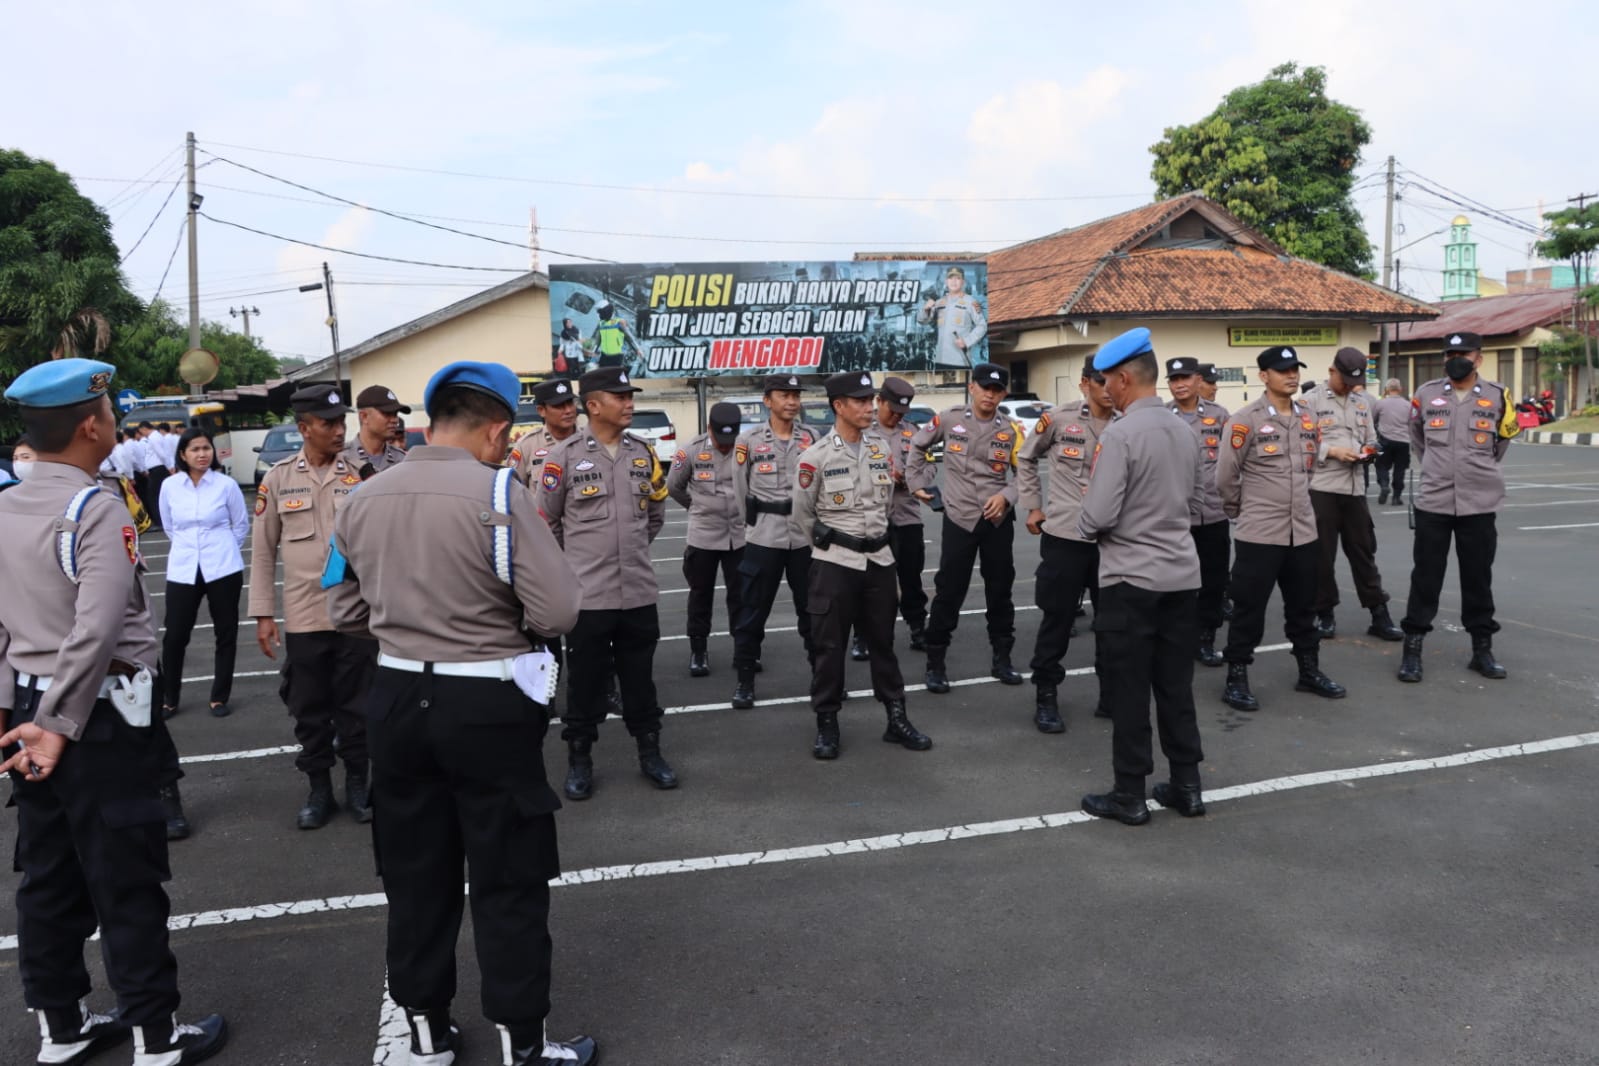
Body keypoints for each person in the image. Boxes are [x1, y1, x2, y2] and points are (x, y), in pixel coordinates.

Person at [329, 361, 596, 1066]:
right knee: (507, 877)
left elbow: (343, 607)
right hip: (485, 700)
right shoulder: (501, 490)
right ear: (498, 428)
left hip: (392, 699)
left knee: (416, 874)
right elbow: (558, 609)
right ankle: (521, 1044)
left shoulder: (361, 496)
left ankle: (425, 1034)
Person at [0, 359, 226, 1066]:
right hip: (92, 715)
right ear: (93, 423)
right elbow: (94, 631)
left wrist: (20, 715)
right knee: (124, 876)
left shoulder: (5, 507)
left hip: (30, 710)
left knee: (47, 876)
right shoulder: (93, 509)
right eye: (110, 412)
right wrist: (60, 727)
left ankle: (60, 1027)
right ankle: (155, 1038)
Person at [1074, 329, 1208, 826]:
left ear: (1125, 379)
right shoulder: (1186, 430)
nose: (1106, 388)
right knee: (1176, 685)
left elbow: (1097, 516)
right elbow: (1197, 504)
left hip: (1131, 580)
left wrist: (1092, 523)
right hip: (1181, 576)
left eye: (1108, 379)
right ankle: (1187, 785)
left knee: (1130, 690)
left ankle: (1129, 793)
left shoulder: (1121, 434)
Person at [541, 366, 677, 800]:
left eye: (630, 396)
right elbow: (549, 522)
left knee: (640, 679)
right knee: (584, 682)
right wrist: (578, 564)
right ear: (594, 405)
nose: (629, 403)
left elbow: (655, 514)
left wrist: (630, 548)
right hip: (589, 597)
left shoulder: (643, 453)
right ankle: (580, 759)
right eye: (620, 397)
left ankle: (650, 753)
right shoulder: (561, 458)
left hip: (637, 591)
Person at [251, 384, 377, 829]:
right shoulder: (278, 479)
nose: (339, 431)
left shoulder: (361, 474)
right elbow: (263, 551)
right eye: (329, 424)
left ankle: (359, 785)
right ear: (304, 428)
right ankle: (318, 787)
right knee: (309, 706)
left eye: (342, 422)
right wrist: (264, 614)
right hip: (305, 614)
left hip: (357, 615)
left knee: (357, 703)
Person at [794, 371, 932, 759]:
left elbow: (885, 506)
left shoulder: (880, 450)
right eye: (860, 401)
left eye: (871, 400)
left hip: (879, 560)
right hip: (835, 562)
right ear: (838, 406)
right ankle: (827, 724)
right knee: (830, 648)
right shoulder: (815, 457)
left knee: (883, 645)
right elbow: (803, 516)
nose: (870, 407)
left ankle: (896, 717)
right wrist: (836, 547)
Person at [1216, 347, 1346, 712]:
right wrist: (1240, 510)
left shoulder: (1307, 418)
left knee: (1304, 607)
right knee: (1248, 609)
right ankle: (1236, 677)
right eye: (1282, 370)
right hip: (1259, 534)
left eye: (1294, 369)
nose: (1291, 375)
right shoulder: (1245, 420)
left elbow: (1310, 467)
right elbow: (1226, 476)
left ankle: (1309, 671)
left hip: (1302, 531)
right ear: (1264, 376)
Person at [1398, 331, 1519, 683]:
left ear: (1478, 357)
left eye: (1462, 353)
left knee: (1478, 578)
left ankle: (1482, 650)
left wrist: (1474, 470)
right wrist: (1440, 468)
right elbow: (1419, 440)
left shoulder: (1499, 396)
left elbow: (1502, 440)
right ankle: (1413, 650)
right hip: (1434, 500)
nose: (1455, 358)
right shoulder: (1426, 393)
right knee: (1426, 577)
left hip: (1479, 502)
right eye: (1449, 353)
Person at [906, 362, 1026, 693]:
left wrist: (1007, 496)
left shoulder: (1012, 430)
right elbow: (917, 446)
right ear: (972, 387)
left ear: (1004, 393)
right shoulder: (949, 419)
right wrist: (918, 483)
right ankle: (935, 662)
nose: (990, 394)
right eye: (985, 387)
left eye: (997, 390)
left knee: (1000, 591)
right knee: (949, 591)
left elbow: (1024, 473)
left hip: (997, 520)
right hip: (959, 518)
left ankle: (1002, 658)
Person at [1018, 355, 1114, 733]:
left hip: (1113, 540)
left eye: (1113, 382)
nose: (1108, 391)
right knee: (1057, 619)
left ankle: (1112, 694)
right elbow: (1026, 458)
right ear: (1084, 383)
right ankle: (1046, 694)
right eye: (1100, 382)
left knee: (1113, 623)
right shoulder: (1058, 418)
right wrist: (1033, 506)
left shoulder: (1129, 421)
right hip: (1065, 536)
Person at [730, 374, 818, 709]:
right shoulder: (748, 441)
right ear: (768, 400)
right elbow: (741, 492)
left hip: (802, 538)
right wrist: (754, 525)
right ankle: (745, 681)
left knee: (813, 612)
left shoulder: (812, 437)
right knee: (752, 611)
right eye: (785, 395)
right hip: (764, 536)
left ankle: (822, 678)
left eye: (796, 395)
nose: (792, 401)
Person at [1305, 348, 1404, 642]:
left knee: (1364, 552)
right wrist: (1333, 451)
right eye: (1345, 380)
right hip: (1322, 488)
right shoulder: (1310, 401)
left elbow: (1371, 439)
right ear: (1332, 370)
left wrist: (1369, 453)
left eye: (1355, 382)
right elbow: (1303, 443)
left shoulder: (1363, 402)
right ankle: (1324, 613)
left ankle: (1379, 614)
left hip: (1355, 488)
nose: (1349, 387)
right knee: (1322, 555)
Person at [158, 429, 250, 719]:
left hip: (223, 566)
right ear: (183, 454)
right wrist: (192, 548)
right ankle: (169, 698)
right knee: (174, 635)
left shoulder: (226, 485)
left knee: (225, 632)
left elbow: (241, 525)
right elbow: (169, 525)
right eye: (195, 449)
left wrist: (222, 549)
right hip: (184, 567)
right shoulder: (170, 486)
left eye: (206, 448)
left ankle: (219, 696)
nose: (202, 454)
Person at [666, 402, 744, 678]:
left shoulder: (746, 449)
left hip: (739, 536)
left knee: (741, 597)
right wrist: (697, 507)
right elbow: (674, 486)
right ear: (709, 428)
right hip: (704, 536)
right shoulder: (691, 450)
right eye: (720, 440)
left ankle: (744, 651)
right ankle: (698, 651)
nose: (725, 446)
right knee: (700, 596)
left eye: (730, 440)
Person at [1166, 355, 1232, 667]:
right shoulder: (1163, 417)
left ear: (1197, 381)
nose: (1180, 385)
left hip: (1214, 514)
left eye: (1185, 378)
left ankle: (1205, 638)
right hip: (1175, 517)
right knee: (1176, 581)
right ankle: (1177, 637)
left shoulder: (1220, 416)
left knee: (1213, 580)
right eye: (1174, 380)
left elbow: (1233, 461)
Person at [868, 377, 928, 654]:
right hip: (871, 519)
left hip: (906, 517)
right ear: (879, 401)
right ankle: (863, 636)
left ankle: (917, 628)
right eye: (892, 410)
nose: (896, 417)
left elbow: (928, 470)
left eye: (902, 413)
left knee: (911, 578)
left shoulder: (914, 434)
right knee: (869, 582)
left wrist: (909, 479)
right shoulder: (862, 432)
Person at [512, 378, 582, 486]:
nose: (568, 410)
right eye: (559, 406)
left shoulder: (590, 440)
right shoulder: (526, 446)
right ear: (542, 411)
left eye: (570, 403)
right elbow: (514, 491)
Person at [916, 266, 986, 369]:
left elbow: (982, 326)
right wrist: (925, 309)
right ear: (946, 281)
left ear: (962, 281)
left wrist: (967, 341)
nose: (954, 281)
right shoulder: (939, 302)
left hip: (960, 361)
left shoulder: (971, 302)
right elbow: (921, 320)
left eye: (957, 278)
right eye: (950, 278)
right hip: (940, 360)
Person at [343, 384, 410, 475]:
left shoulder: (402, 459)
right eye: (387, 413)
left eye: (395, 414)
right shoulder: (341, 457)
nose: (395, 420)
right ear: (364, 416)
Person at [1374, 377, 1412, 505]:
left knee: (1381, 465)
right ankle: (1396, 497)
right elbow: (1412, 423)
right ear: (1400, 389)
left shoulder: (1380, 403)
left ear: (1386, 390)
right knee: (1400, 469)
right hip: (1403, 441)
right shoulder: (1408, 405)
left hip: (1385, 440)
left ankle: (1384, 485)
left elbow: (1373, 419)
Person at [590, 303, 637, 369]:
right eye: (599, 313)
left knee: (616, 373)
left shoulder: (618, 323)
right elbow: (598, 340)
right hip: (604, 355)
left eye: (601, 313)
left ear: (606, 313)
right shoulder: (601, 324)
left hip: (616, 356)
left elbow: (629, 338)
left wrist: (636, 350)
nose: (599, 315)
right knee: (602, 372)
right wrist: (593, 352)